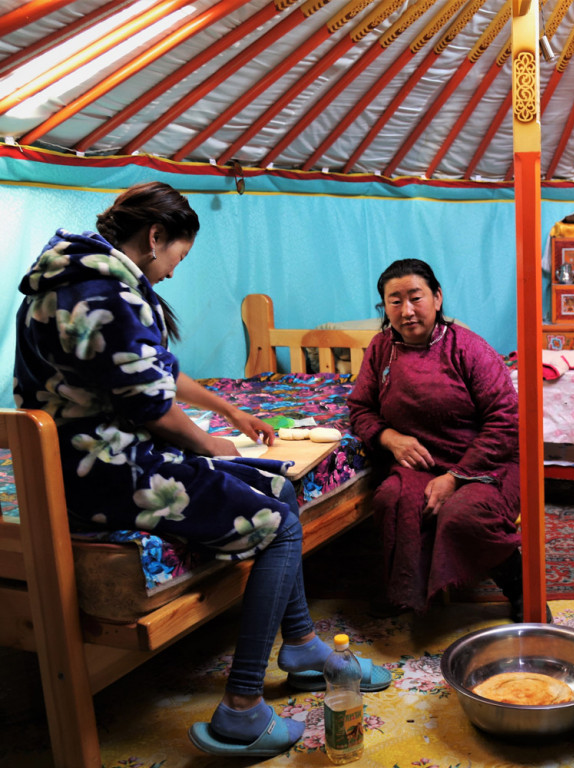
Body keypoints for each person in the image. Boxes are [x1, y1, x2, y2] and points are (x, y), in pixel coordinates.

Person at [13, 181, 390, 759]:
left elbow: (154, 374)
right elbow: (152, 409)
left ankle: (303, 646)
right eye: (178, 258)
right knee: (281, 524)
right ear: (156, 237)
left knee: (278, 486)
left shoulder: (66, 278)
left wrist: (230, 408)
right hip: (110, 473)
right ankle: (242, 708)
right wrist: (214, 446)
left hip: (81, 463)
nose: (171, 273)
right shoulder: (107, 293)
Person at [348, 258, 528, 618]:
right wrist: (389, 438)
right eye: (395, 301)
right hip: (422, 463)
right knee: (391, 498)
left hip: (484, 464)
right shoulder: (381, 348)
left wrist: (456, 477)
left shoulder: (469, 349)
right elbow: (360, 408)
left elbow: (505, 420)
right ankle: (404, 589)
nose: (407, 310)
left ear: (438, 298)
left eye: (416, 297)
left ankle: (519, 586)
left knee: (463, 514)